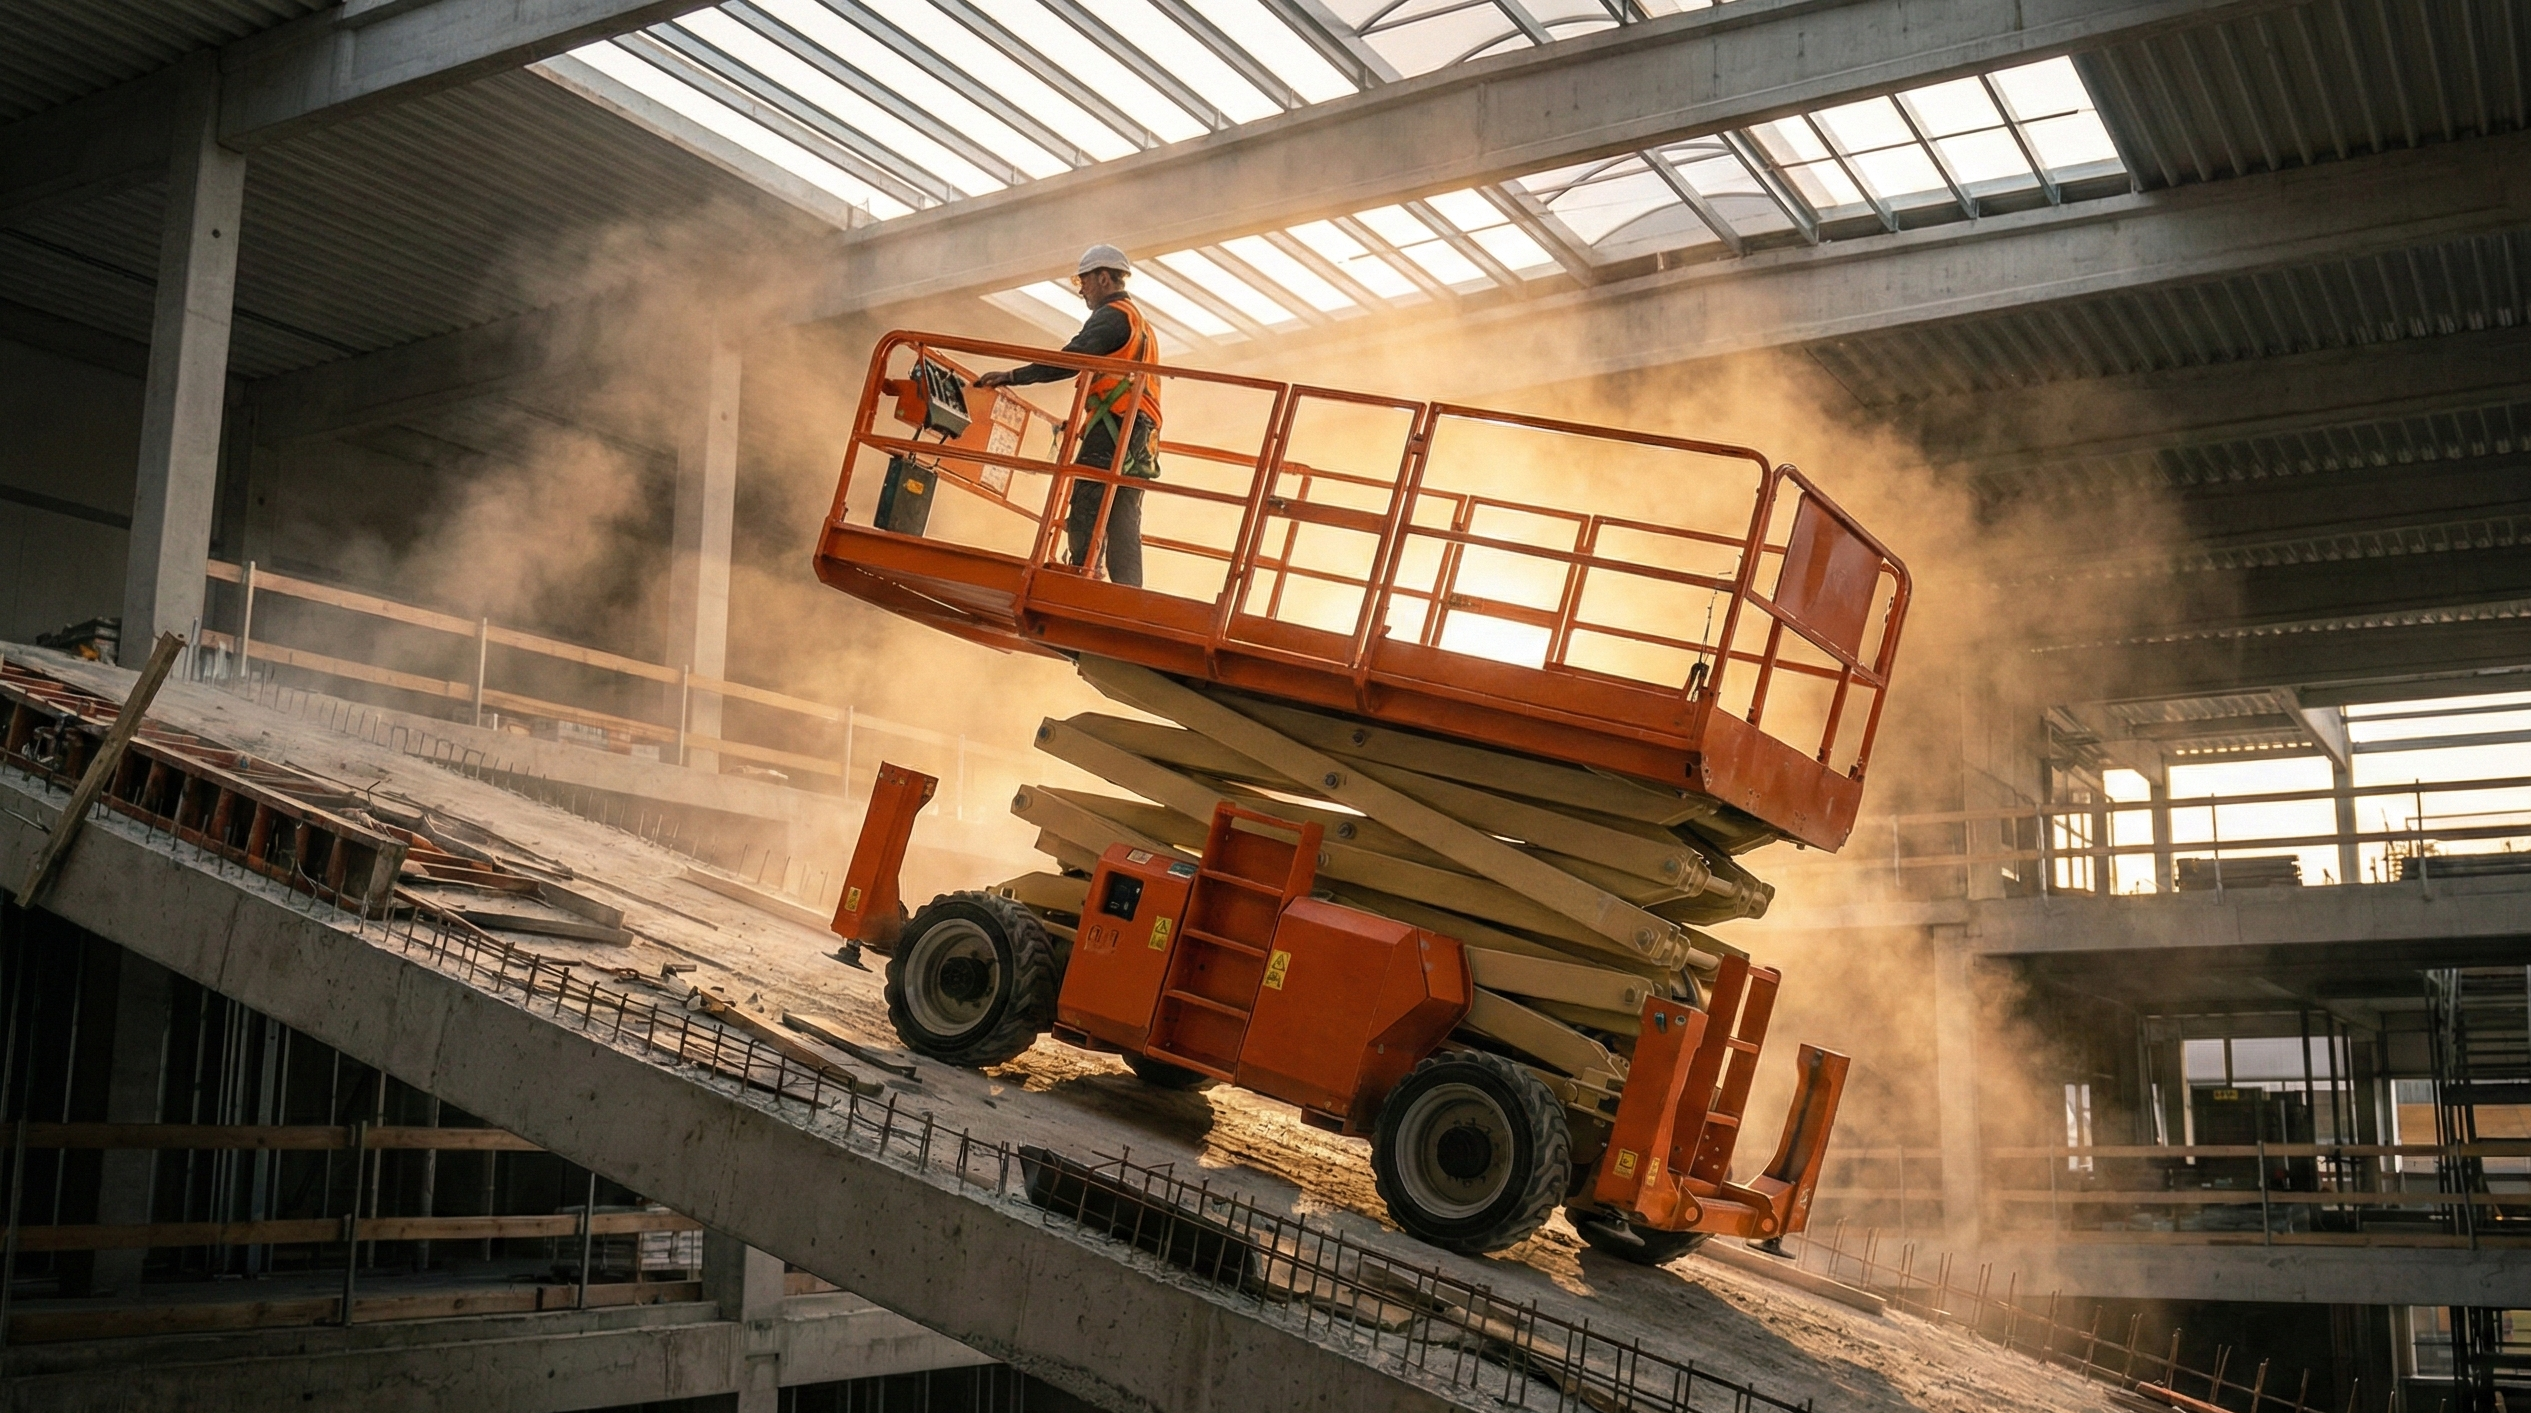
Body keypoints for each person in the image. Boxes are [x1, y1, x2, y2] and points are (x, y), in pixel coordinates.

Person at [974, 244, 1162, 587]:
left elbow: (1071, 359)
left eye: (1085, 281)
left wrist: (1013, 376)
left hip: (1113, 428)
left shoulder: (1114, 315)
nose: (1081, 290)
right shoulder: (1141, 324)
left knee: (1088, 504)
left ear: (1104, 278)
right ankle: (1126, 594)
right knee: (1123, 518)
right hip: (1141, 437)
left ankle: (1080, 579)